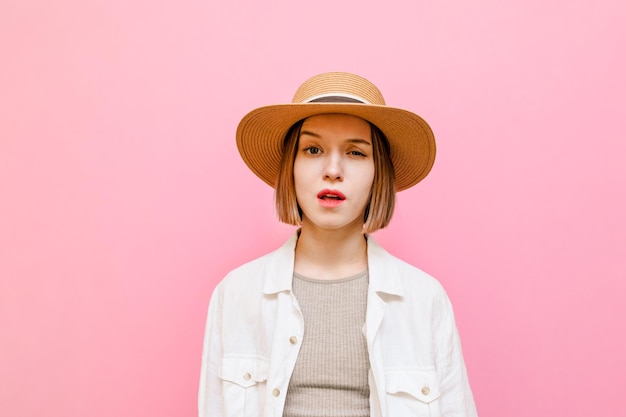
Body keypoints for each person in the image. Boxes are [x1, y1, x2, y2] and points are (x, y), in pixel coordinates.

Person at [199, 72, 478, 417]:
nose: (333, 170)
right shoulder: (236, 293)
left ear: (379, 174)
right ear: (291, 167)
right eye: (313, 149)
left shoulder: (425, 298)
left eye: (356, 152)